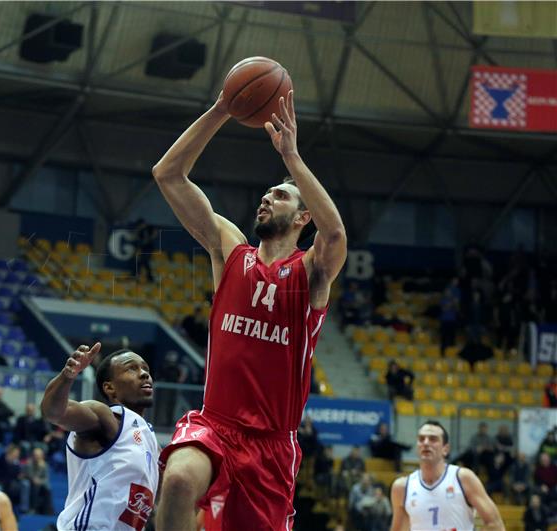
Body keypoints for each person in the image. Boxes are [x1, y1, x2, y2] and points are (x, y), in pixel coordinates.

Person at [153, 88, 346, 530]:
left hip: (272, 445)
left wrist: (292, 159)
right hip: (215, 424)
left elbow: (334, 234)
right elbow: (168, 174)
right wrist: (222, 109)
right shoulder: (231, 252)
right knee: (179, 479)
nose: (265, 199)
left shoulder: (310, 272)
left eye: (279, 196)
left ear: (302, 219)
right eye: (265, 194)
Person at [41, 343, 160, 529]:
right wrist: (67, 375)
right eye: (131, 368)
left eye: (146, 368)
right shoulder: (107, 417)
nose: (144, 374)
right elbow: (54, 413)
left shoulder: (150, 438)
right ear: (109, 387)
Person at [390, 420, 504, 530]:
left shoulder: (463, 478)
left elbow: (495, 524)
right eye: (421, 439)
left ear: (445, 449)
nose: (425, 443)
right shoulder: (402, 487)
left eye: (433, 439)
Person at [0, 444, 30, 514]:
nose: (17, 455)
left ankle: (24, 508)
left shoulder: (17, 463)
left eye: (18, 453)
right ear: (11, 452)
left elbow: (17, 474)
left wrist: (21, 476)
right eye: (15, 453)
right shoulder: (3, 458)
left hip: (12, 483)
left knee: (25, 484)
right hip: (0, 481)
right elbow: (6, 473)